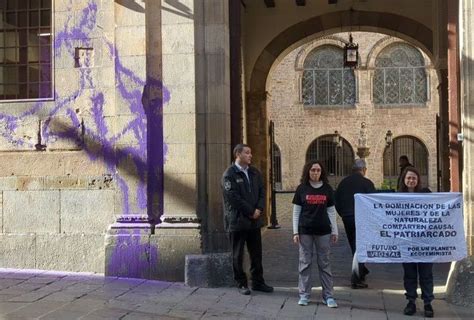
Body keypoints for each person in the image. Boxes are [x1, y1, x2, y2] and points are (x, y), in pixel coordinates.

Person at [221, 144, 274, 295]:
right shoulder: (229, 175)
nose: (250, 155)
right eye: (247, 153)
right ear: (238, 154)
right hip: (237, 221)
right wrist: (251, 211)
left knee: (256, 253)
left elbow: (262, 192)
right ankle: (241, 283)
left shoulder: (254, 172)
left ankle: (258, 282)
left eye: (250, 153)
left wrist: (259, 209)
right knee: (237, 254)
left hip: (254, 222)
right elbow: (233, 198)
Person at [292, 160, 338, 308]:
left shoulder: (327, 189)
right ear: (308, 171)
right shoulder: (302, 189)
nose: (315, 173)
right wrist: (295, 232)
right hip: (305, 230)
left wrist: (335, 230)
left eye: (318, 170)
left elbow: (331, 211)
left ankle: (328, 296)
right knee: (305, 263)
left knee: (324, 263)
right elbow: (296, 212)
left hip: (323, 231)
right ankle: (304, 295)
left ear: (321, 172)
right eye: (313, 170)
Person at [398, 166, 434, 318]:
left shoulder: (426, 194)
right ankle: (411, 301)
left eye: (413, 178)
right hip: (407, 241)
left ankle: (427, 303)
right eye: (408, 178)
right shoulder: (397, 197)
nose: (411, 180)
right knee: (410, 273)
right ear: (404, 180)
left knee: (426, 273)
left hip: (424, 241)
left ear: (418, 180)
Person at [335, 159, 376, 289]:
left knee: (354, 245)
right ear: (363, 170)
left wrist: (343, 214)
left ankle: (361, 270)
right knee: (360, 247)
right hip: (362, 219)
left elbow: (336, 200)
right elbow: (373, 202)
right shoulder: (367, 183)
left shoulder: (343, 183)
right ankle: (356, 277)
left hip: (347, 217)